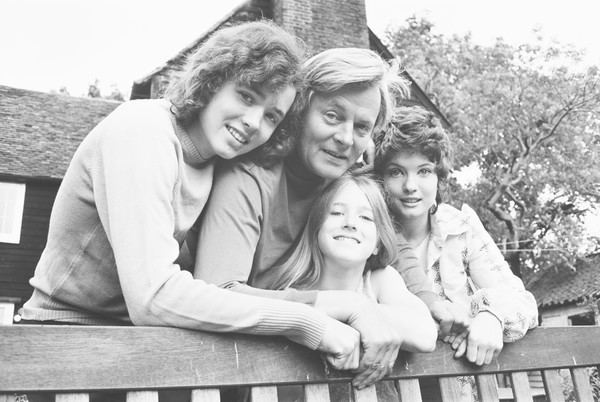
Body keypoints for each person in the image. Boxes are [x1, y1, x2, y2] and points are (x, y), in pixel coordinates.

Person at [20, 21, 361, 373]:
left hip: (136, 351)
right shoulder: (142, 132)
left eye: (272, 116)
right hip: (61, 344)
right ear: (212, 81)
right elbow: (152, 296)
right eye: (246, 96)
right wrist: (306, 322)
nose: (253, 122)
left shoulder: (217, 161)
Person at [192, 48, 434, 388]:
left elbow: (395, 247)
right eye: (333, 116)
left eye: (361, 127)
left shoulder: (343, 184)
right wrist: (348, 307)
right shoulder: (250, 178)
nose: (346, 139)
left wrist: (431, 301)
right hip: (234, 371)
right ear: (300, 111)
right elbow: (216, 292)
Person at [374, 105, 538, 399]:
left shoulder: (459, 227)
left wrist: (492, 317)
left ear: (438, 175)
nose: (411, 186)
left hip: (458, 390)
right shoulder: (365, 231)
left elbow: (521, 300)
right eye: (396, 172)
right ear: (380, 179)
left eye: (423, 171)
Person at [271, 173, 438, 399]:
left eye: (366, 218)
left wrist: (360, 312)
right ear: (316, 229)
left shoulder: (379, 280)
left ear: (378, 243)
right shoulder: (294, 289)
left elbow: (425, 335)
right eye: (337, 213)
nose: (350, 223)